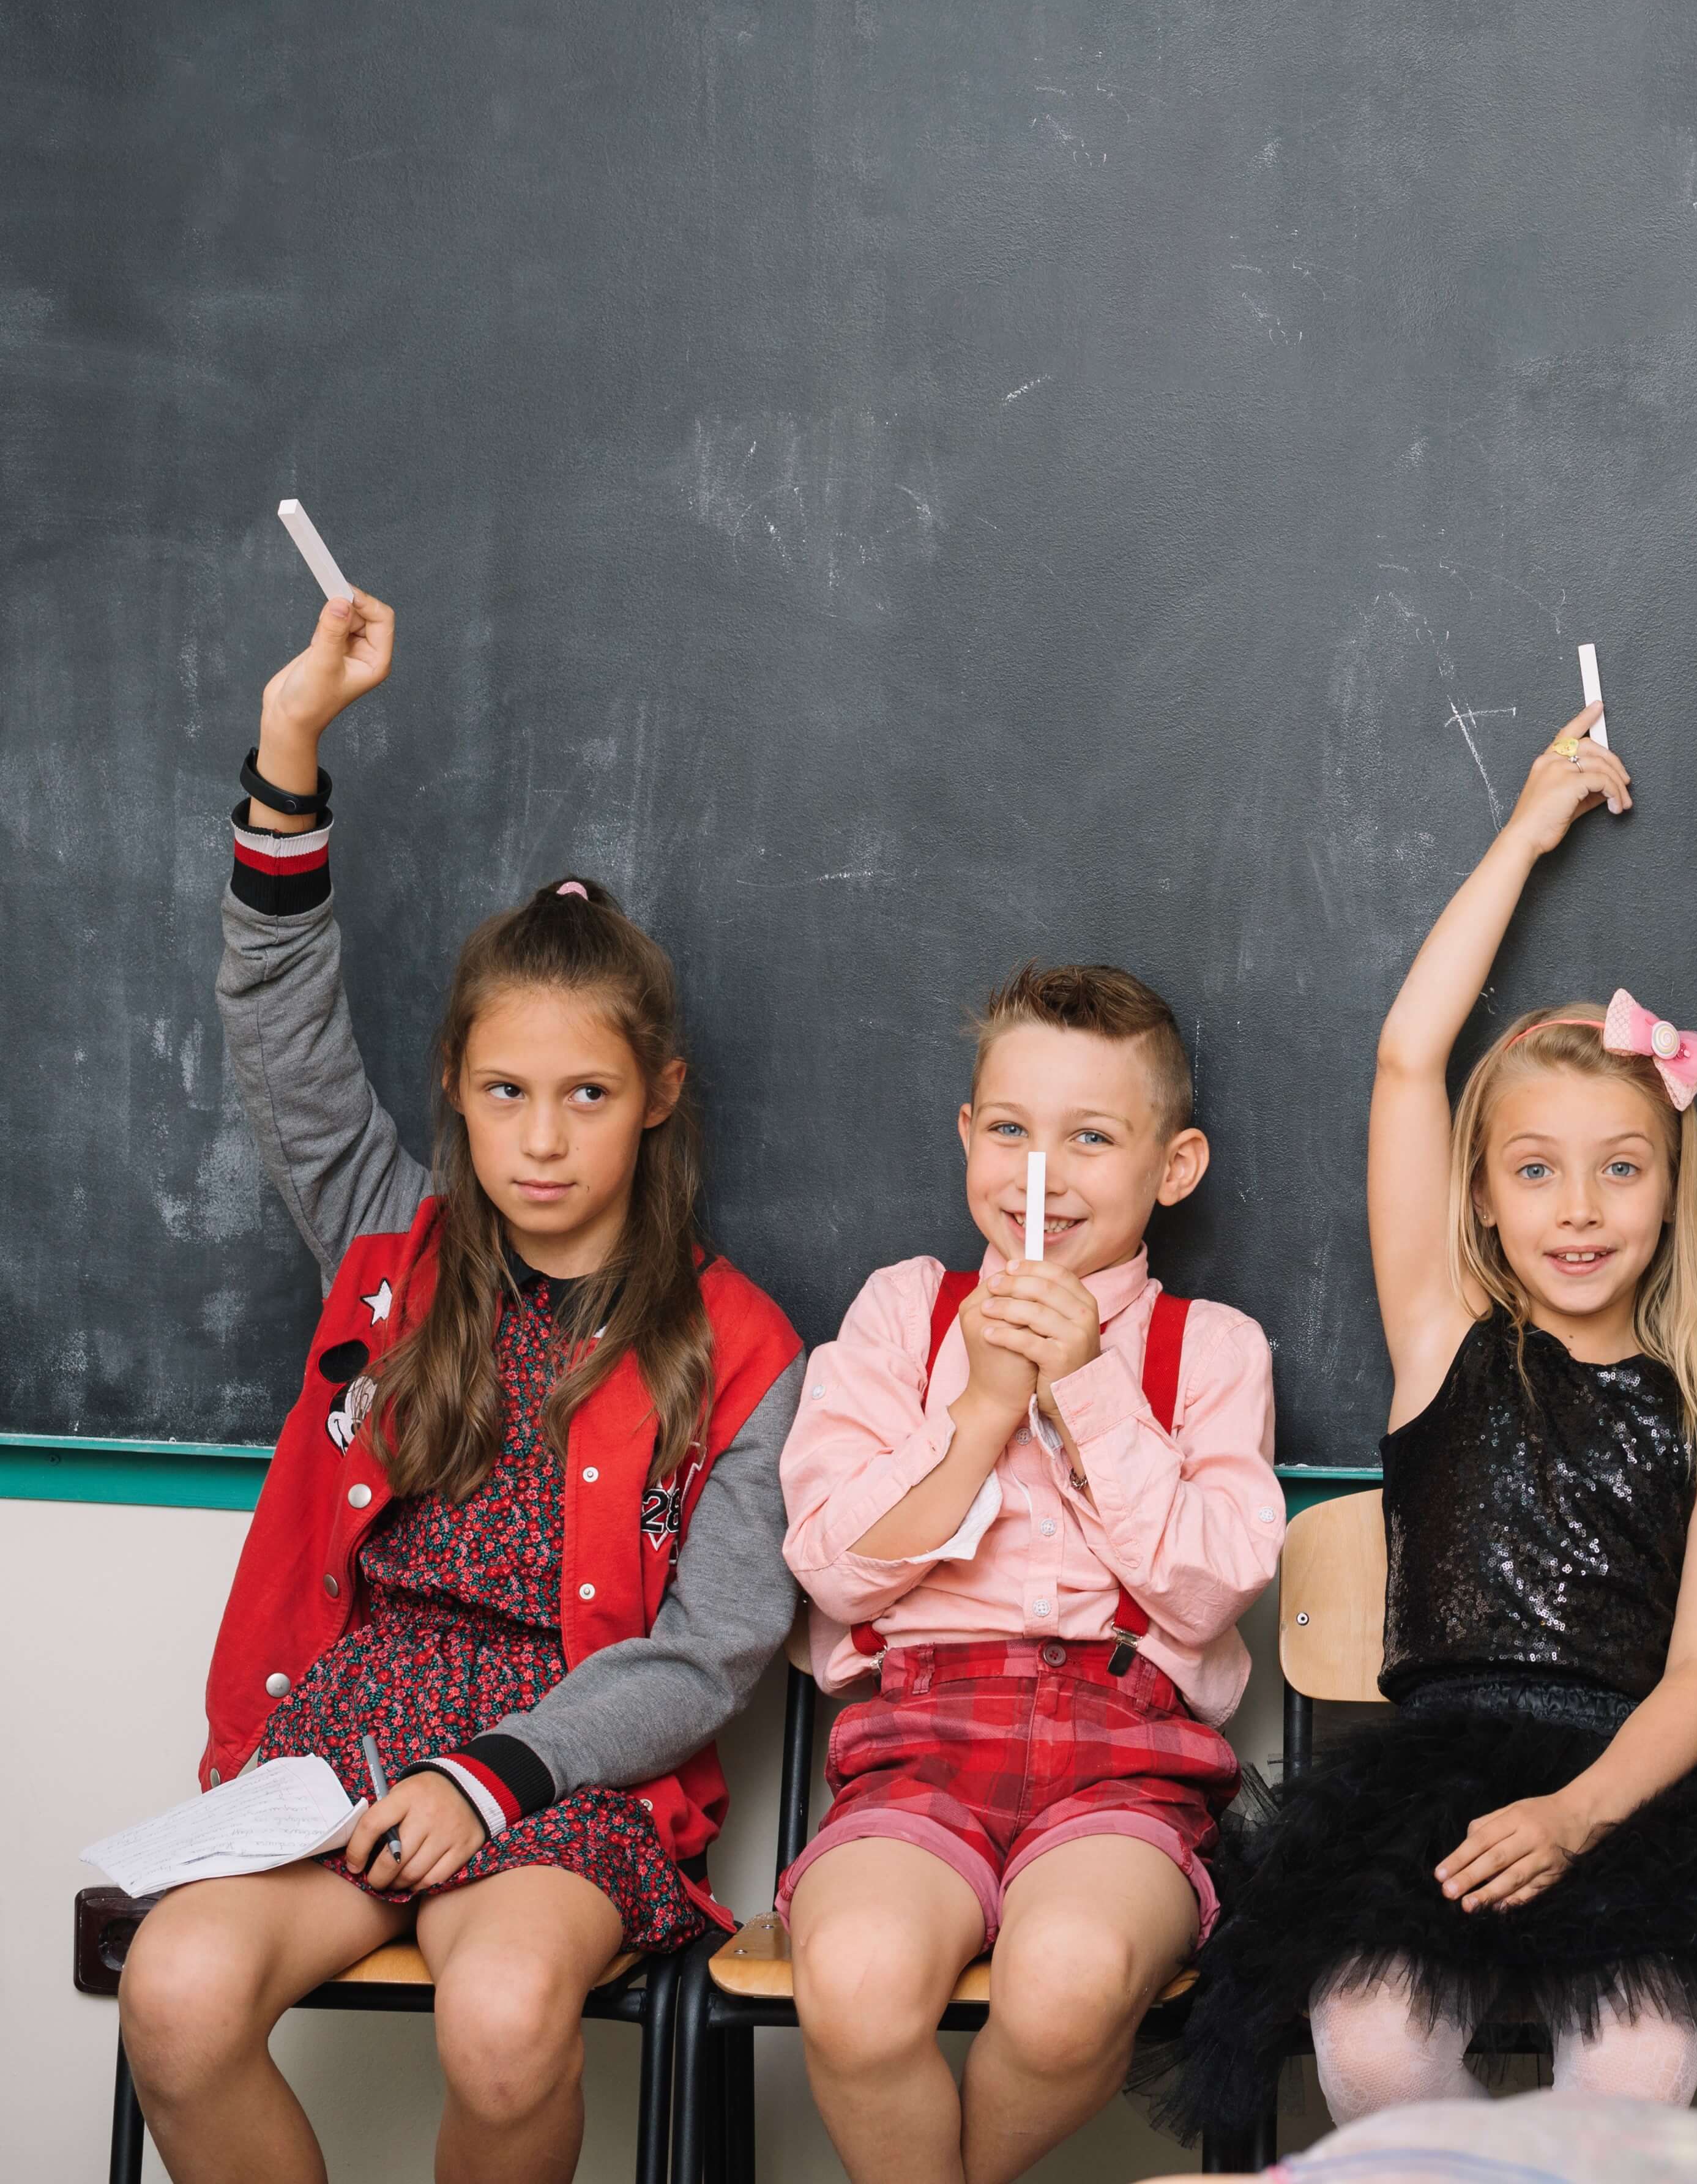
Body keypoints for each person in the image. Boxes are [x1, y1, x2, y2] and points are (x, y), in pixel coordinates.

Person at [119, 592, 806, 2184]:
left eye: (586, 1095)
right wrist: (292, 746)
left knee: (500, 2013)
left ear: (659, 1101)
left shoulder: (747, 1346)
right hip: (347, 1742)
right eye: (506, 1093)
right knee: (176, 1987)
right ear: (456, 1092)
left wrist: (485, 1777)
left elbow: (707, 1657)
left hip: (570, 1766)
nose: (543, 1141)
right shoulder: (387, 1248)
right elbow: (279, 1026)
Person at [1160, 707, 1697, 2141]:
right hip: (1433, 1772)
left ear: (1670, 1191)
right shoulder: (1446, 1343)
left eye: (1619, 1170)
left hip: (1632, 1784)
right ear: (1481, 1196)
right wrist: (1528, 830)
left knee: (1640, 2071)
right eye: (1536, 1172)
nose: (1581, 1208)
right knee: (1365, 2041)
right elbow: (1410, 1061)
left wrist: (1579, 1814)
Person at [777, 961, 1281, 2184]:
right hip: (916, 1742)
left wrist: (1088, 1389)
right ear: (966, 1134)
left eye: (1090, 1138)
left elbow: (1208, 1588)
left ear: (1174, 1167)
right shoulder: (903, 1315)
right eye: (1008, 1129)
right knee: (852, 1984)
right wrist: (980, 1411)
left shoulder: (1210, 1350)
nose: (1036, 1170)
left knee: (1067, 1991)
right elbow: (834, 1572)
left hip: (1125, 1760)